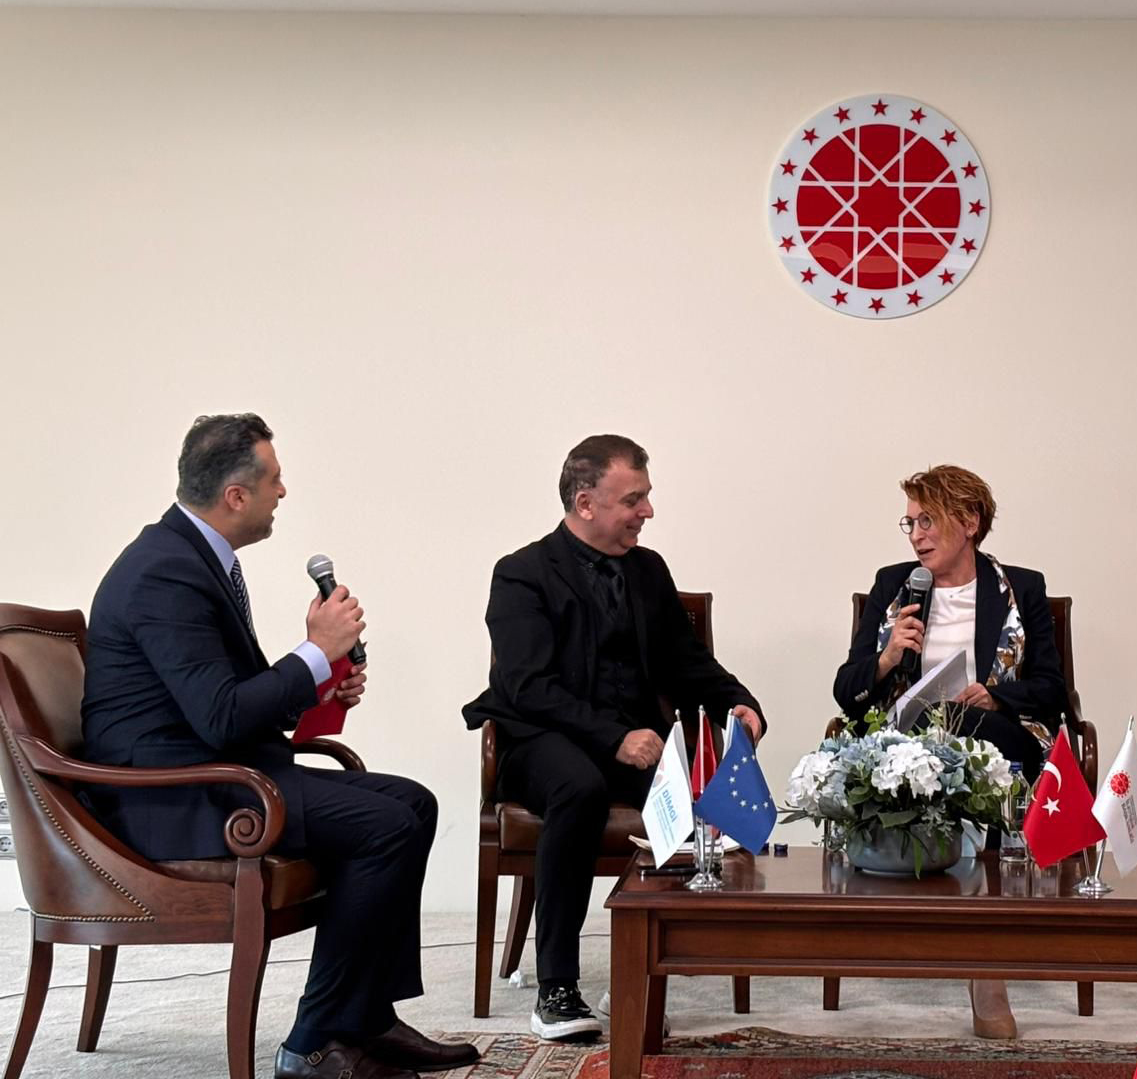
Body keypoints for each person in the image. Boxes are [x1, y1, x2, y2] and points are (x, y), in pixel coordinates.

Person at [82, 414, 476, 1079]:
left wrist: (318, 681)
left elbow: (223, 701)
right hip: (174, 798)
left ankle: (366, 1018)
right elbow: (220, 717)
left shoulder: (192, 556)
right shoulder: (164, 572)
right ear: (236, 495)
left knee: (414, 802)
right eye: (275, 480)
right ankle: (312, 1044)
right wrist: (314, 652)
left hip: (217, 773)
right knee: (384, 825)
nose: (283, 492)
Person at [461, 434, 766, 1042]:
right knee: (578, 787)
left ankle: (643, 976)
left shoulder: (648, 570)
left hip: (636, 742)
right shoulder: (521, 573)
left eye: (646, 497)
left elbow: (685, 661)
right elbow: (526, 686)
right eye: (634, 499)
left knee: (693, 795)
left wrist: (738, 702)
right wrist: (614, 736)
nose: (647, 511)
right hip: (542, 740)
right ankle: (556, 989)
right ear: (585, 503)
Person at [832, 464, 1069, 1040]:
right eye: (910, 523)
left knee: (965, 726)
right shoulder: (895, 586)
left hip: (999, 741)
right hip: (906, 745)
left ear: (969, 522)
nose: (916, 536)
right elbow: (846, 690)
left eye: (928, 521)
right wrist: (887, 658)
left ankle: (986, 971)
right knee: (915, 733)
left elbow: (1054, 692)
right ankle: (974, 956)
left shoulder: (1022, 588)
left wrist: (997, 695)